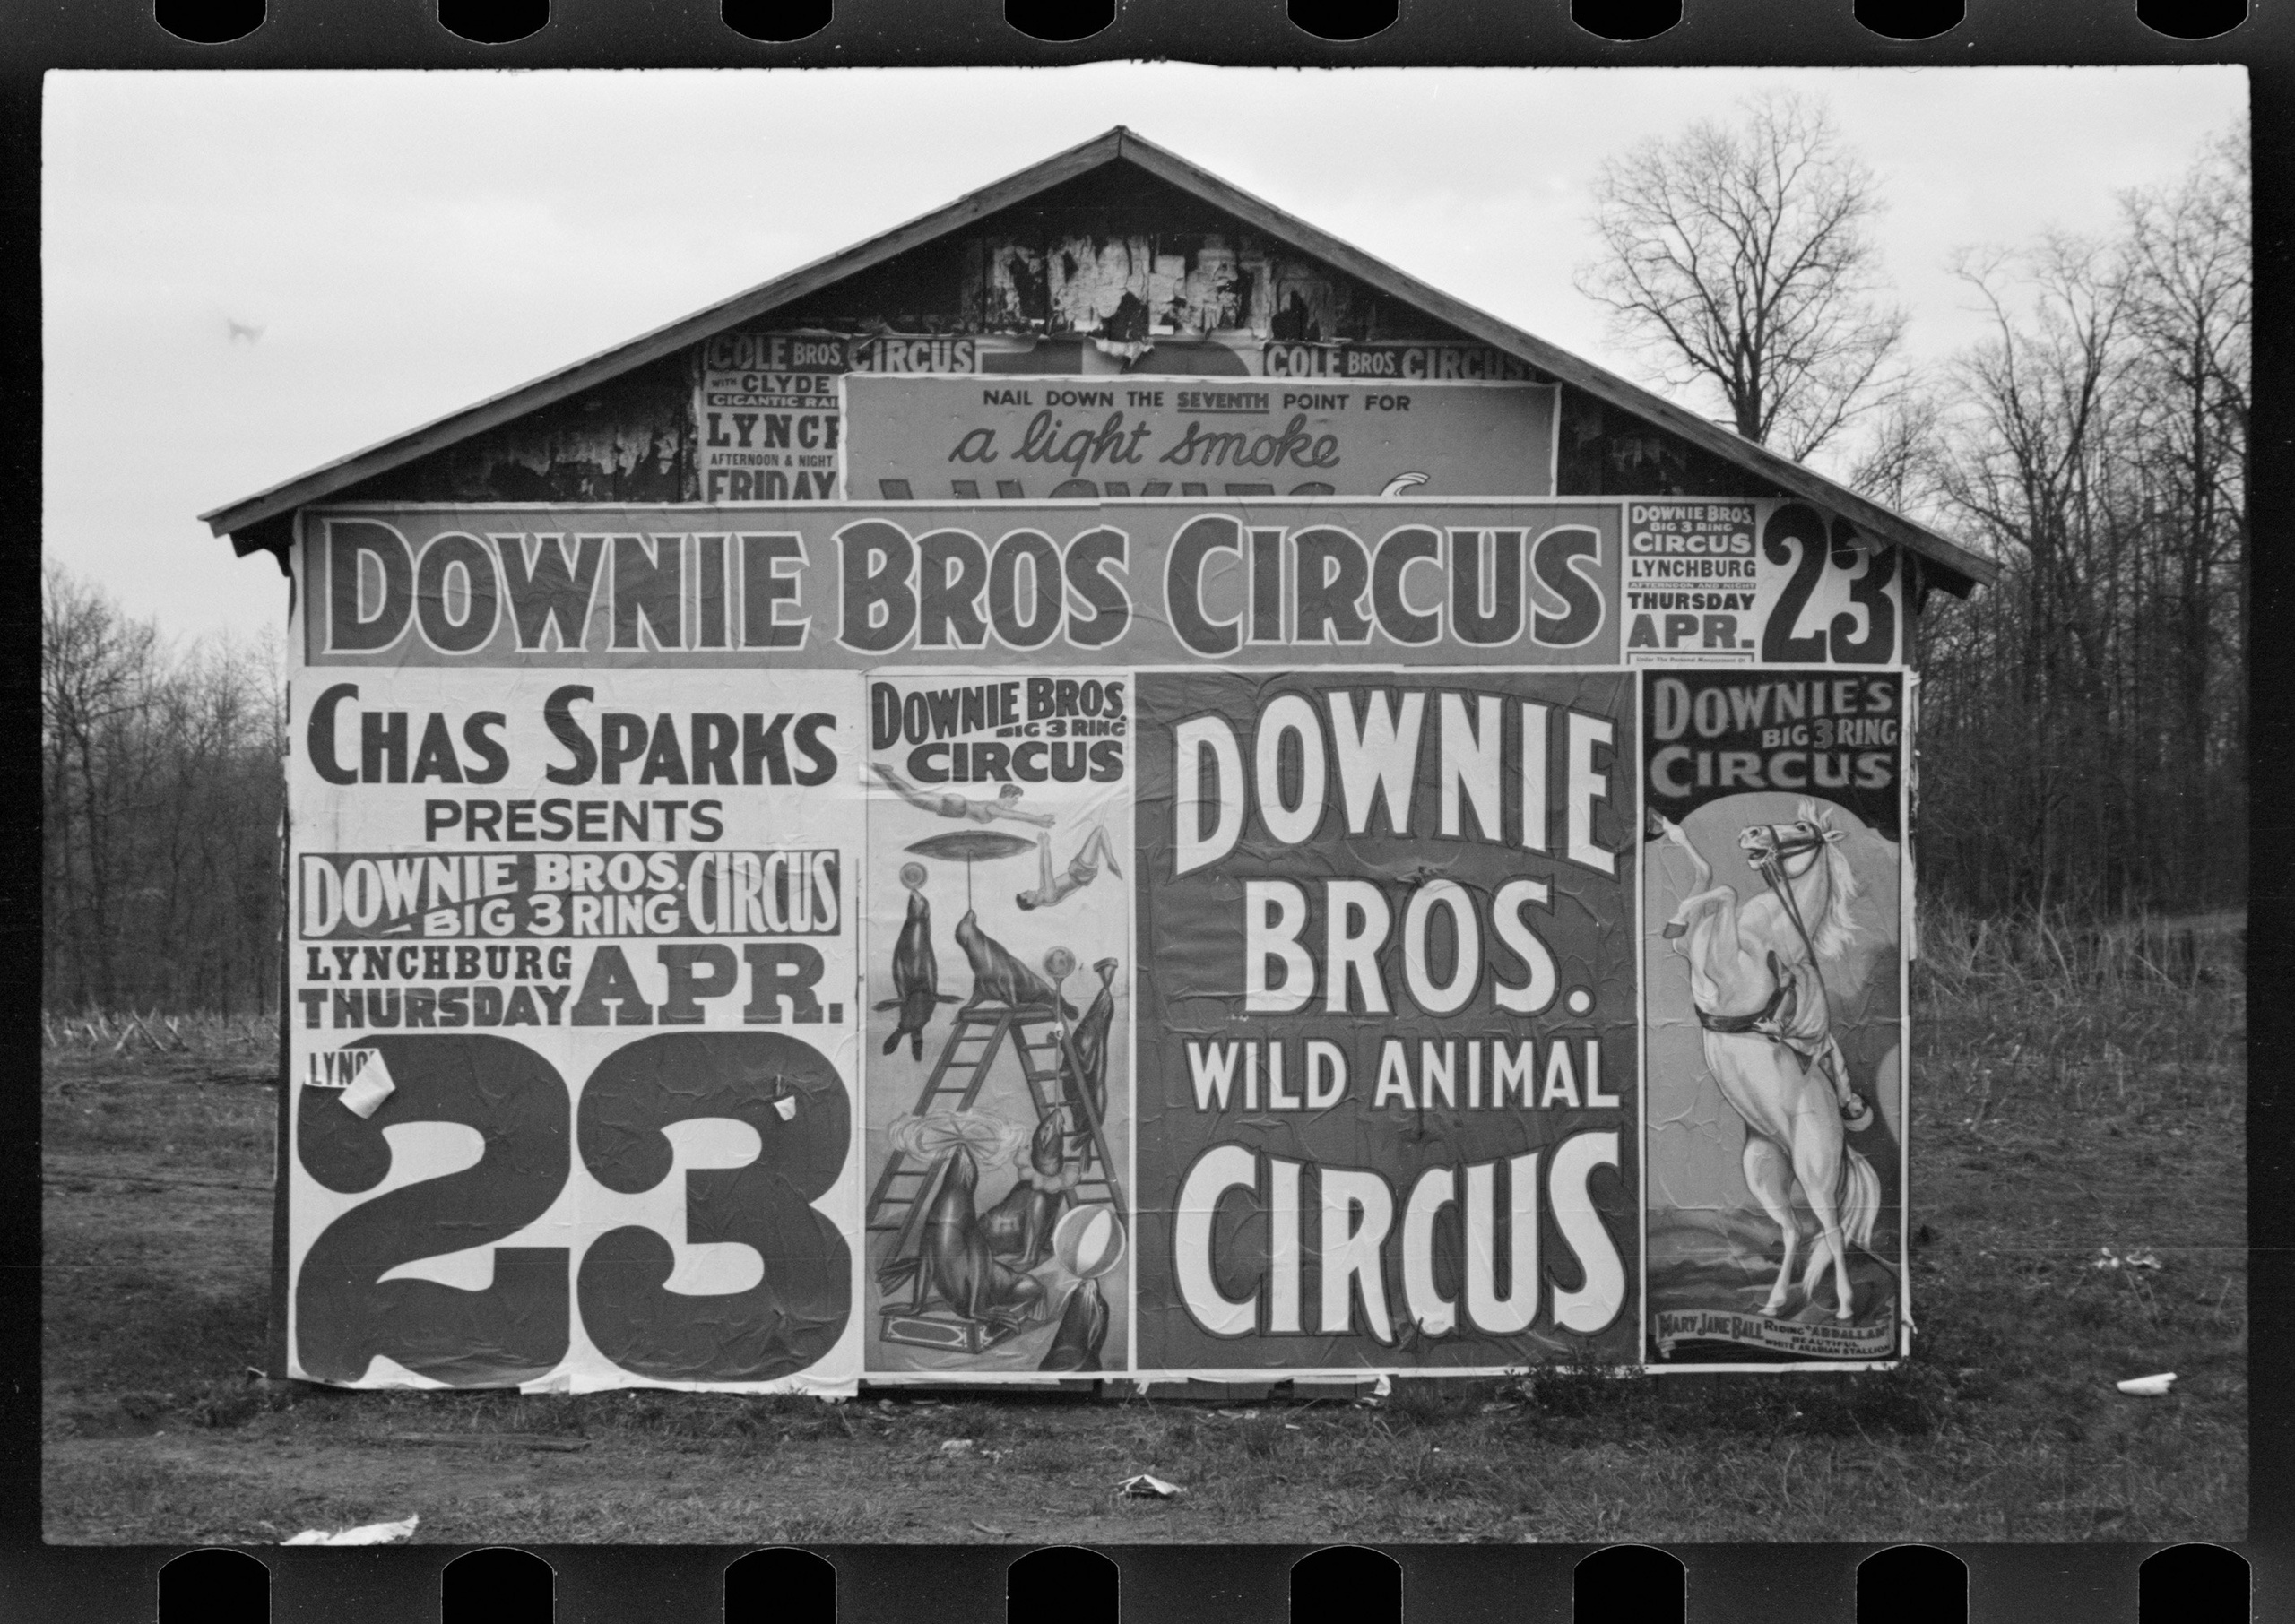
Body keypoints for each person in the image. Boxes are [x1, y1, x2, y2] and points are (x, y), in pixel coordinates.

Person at [871, 764, 1054, 828]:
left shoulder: (993, 806)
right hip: (954, 806)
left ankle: (885, 773)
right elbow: (1014, 816)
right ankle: (884, 772)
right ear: (1008, 795)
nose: (1016, 803)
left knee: (912, 797)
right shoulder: (993, 807)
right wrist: (1037, 819)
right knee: (912, 796)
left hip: (953, 806)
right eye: (1015, 798)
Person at [1015, 826, 1122, 911]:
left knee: (1099, 835)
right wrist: (1047, 845)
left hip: (1076, 869)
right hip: (1081, 873)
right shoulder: (1048, 897)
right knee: (1100, 831)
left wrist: (1042, 846)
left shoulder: (1042, 893)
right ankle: (1110, 861)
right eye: (1025, 894)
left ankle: (1110, 861)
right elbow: (1048, 870)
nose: (1027, 891)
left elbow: (1042, 870)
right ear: (1029, 902)